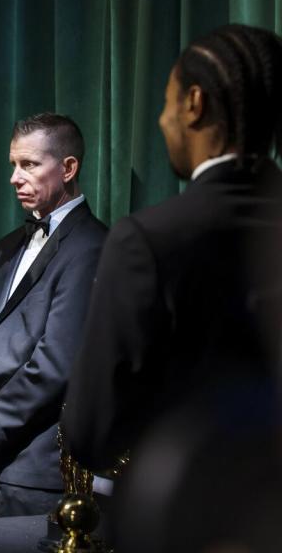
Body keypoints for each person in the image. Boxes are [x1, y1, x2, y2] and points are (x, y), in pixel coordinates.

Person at [63, 24, 282, 472]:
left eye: (166, 103)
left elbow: (91, 432)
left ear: (194, 104)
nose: (163, 121)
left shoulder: (148, 240)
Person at [0, 113, 107, 517]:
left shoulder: (93, 246)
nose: (15, 177)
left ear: (68, 168)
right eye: (13, 165)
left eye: (29, 164)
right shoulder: (4, 247)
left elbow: (56, 362)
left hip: (32, 471)